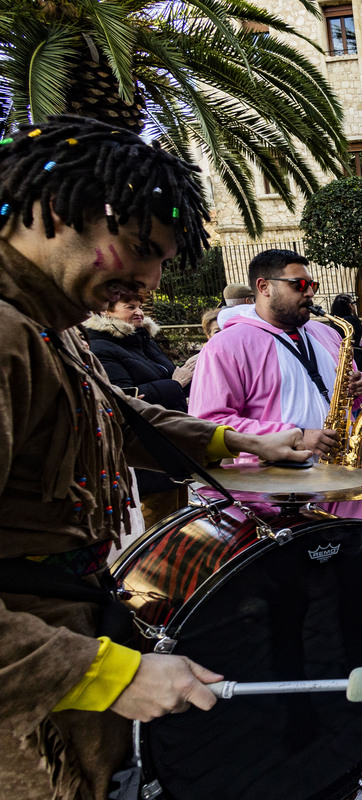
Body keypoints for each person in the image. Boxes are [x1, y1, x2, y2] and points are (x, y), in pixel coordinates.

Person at [0, 115, 311, 800]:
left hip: (72, 632)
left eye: (163, 260)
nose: (149, 279)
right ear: (60, 211)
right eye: (142, 248)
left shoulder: (51, 325)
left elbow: (123, 413)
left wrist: (242, 442)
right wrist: (109, 675)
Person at [190, 248, 362, 519]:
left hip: (344, 478)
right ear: (264, 287)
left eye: (312, 285)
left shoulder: (328, 334)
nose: (310, 293)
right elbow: (208, 423)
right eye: (299, 285)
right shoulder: (226, 346)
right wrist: (297, 434)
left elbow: (360, 394)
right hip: (275, 491)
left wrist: (360, 387)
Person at [82, 296, 192, 526]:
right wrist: (176, 385)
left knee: (180, 515)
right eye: (130, 307)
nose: (139, 312)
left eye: (140, 307)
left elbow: (167, 375)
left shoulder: (141, 340)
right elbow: (124, 398)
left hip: (170, 440)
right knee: (160, 520)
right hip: (146, 448)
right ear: (106, 312)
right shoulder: (101, 347)